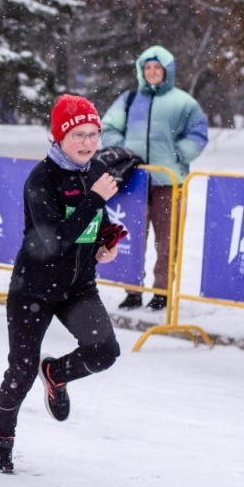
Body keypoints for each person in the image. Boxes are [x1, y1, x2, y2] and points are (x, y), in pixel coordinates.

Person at [0, 94, 125, 475]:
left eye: (93, 134)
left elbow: (97, 222)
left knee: (104, 351)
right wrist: (94, 199)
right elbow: (55, 242)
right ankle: (1, 437)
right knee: (21, 371)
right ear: (59, 136)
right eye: (78, 134)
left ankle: (58, 374)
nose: (87, 143)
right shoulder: (41, 179)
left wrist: (105, 245)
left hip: (78, 288)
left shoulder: (95, 169)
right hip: (33, 289)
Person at [101, 45, 209, 311]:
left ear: (167, 72)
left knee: (167, 240)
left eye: (157, 68)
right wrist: (123, 148)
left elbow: (198, 132)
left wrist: (179, 152)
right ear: (141, 71)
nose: (152, 72)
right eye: (147, 68)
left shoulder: (183, 102)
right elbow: (108, 126)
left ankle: (161, 292)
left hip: (169, 181)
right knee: (131, 238)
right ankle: (133, 291)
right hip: (134, 180)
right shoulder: (129, 99)